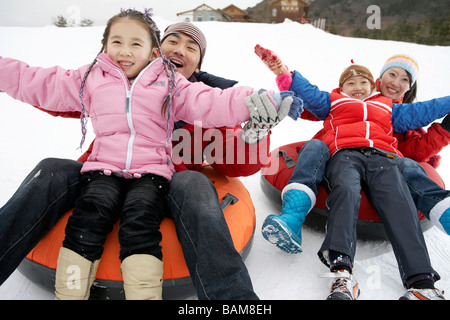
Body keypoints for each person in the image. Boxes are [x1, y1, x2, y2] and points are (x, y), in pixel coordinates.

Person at [0, 10, 300, 300]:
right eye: (173, 41)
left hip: (164, 186)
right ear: (155, 51)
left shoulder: (202, 102)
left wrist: (254, 133)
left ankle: (232, 297)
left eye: (191, 46)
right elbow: (47, 87)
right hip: (101, 177)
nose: (180, 49)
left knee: (194, 183)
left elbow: (234, 162)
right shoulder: (113, 83)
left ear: (197, 65)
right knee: (50, 168)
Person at [256, 47, 450, 299]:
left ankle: (422, 283)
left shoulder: (388, 108)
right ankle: (341, 272)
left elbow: (425, 110)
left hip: (384, 158)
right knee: (345, 191)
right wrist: (283, 72)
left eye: (363, 82)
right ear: (341, 87)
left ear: (373, 87)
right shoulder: (333, 101)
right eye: (351, 82)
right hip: (344, 155)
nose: (357, 86)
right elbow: (309, 93)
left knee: (399, 204)